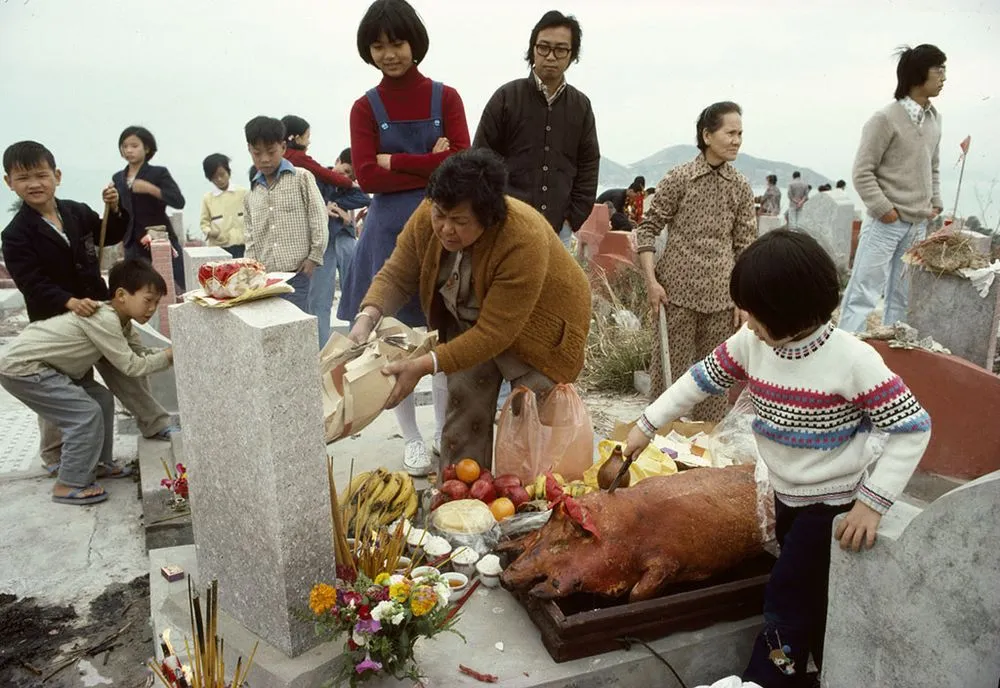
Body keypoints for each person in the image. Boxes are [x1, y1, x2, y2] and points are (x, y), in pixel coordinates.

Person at [624, 229, 931, 688]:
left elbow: (912, 426)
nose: (747, 323)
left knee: (786, 599)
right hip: (785, 496)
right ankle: (830, 671)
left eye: (756, 314)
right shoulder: (754, 344)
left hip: (832, 507)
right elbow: (699, 380)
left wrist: (872, 502)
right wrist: (645, 427)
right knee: (813, 594)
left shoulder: (852, 361)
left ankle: (764, 680)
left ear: (793, 313)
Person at [347, 149, 591, 474]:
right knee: (462, 412)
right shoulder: (432, 212)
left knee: (530, 427)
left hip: (540, 332)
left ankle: (525, 509)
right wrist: (365, 320)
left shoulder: (522, 237)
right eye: (440, 215)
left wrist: (424, 365)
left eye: (460, 221)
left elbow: (495, 333)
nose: (446, 228)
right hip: (472, 323)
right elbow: (398, 272)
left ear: (488, 218)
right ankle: (457, 500)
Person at [338, 0, 469, 476]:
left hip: (446, 231)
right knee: (396, 343)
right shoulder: (364, 106)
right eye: (378, 45)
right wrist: (430, 163)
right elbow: (368, 177)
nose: (389, 53)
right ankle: (411, 439)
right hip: (389, 232)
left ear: (415, 42)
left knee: (440, 337)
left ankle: (440, 432)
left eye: (397, 43)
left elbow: (462, 164)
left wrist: (396, 160)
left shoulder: (446, 97)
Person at [2, 141, 178, 478]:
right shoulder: (15, 234)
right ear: (9, 182)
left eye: (41, 174)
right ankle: (55, 455)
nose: (34, 184)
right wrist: (67, 301)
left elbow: (109, 233)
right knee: (68, 387)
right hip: (58, 318)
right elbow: (30, 281)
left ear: (57, 175)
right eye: (23, 178)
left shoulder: (75, 211)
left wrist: (117, 206)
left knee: (125, 372)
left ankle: (155, 424)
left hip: (99, 307)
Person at [0, 259, 176, 506]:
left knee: (101, 399)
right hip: (24, 368)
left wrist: (170, 352)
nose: (152, 308)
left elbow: (140, 354)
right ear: (121, 295)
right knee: (85, 414)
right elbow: (131, 366)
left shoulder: (123, 323)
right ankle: (70, 482)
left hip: (46, 367)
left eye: (156, 302)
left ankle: (100, 464)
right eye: (148, 300)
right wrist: (169, 356)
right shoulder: (104, 319)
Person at [635, 101, 757, 422]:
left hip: (722, 298)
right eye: (730, 133)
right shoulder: (680, 178)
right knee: (667, 380)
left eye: (740, 133)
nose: (737, 140)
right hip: (675, 294)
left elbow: (746, 247)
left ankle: (706, 454)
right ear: (707, 135)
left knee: (715, 383)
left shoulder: (741, 187)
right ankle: (658, 451)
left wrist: (743, 300)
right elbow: (647, 231)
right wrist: (652, 283)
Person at [839, 44, 946, 334]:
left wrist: (935, 202)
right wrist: (886, 211)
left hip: (918, 224)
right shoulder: (885, 119)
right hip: (887, 222)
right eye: (938, 69)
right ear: (917, 75)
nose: (944, 76)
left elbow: (932, 165)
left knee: (902, 297)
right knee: (863, 292)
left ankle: (891, 357)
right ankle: (846, 350)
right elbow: (862, 172)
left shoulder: (934, 119)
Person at [473, 10, 600, 249]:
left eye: (561, 49)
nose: (551, 56)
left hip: (558, 230)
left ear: (572, 55)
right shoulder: (506, 98)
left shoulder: (580, 106)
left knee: (553, 287)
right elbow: (480, 158)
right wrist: (493, 210)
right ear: (533, 49)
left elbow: (589, 164)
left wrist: (573, 217)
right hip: (505, 225)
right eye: (544, 47)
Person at [243, 116, 328, 314]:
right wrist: (251, 271)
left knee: (296, 325)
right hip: (264, 279)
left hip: (297, 273)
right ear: (249, 150)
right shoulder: (251, 194)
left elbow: (318, 218)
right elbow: (250, 237)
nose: (264, 159)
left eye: (271, 152)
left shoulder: (302, 178)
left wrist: (313, 258)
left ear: (282, 147)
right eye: (257, 153)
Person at [309, 148, 371, 347]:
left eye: (350, 176)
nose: (344, 177)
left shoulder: (349, 187)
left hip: (345, 240)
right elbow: (311, 202)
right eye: (343, 171)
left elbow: (364, 198)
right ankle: (321, 350)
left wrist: (336, 205)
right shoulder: (319, 178)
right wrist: (325, 205)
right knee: (319, 300)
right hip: (323, 244)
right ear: (336, 161)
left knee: (355, 293)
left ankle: (357, 344)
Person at [112, 126, 187, 291]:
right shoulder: (118, 178)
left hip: (159, 236)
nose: (129, 150)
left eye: (134, 146)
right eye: (125, 146)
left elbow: (178, 201)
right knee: (138, 286)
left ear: (146, 148)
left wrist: (151, 189)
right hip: (132, 242)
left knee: (181, 277)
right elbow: (119, 211)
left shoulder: (158, 173)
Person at [280, 115, 357, 192]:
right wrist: (351, 184)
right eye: (307, 137)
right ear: (297, 139)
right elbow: (323, 173)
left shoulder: (280, 155)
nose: (309, 142)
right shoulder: (297, 157)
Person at [199, 154, 247, 258]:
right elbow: (204, 223)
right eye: (215, 177)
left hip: (242, 246)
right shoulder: (208, 198)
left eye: (222, 174)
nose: (219, 179)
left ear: (228, 172)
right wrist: (211, 232)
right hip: (219, 248)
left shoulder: (243, 193)